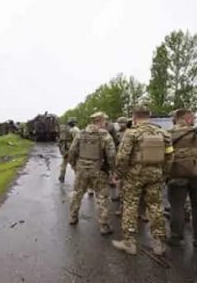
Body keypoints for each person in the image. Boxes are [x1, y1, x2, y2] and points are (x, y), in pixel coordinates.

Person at [112, 105, 174, 256]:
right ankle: (159, 244)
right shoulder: (163, 132)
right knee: (155, 207)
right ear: (150, 115)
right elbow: (170, 156)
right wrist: (163, 173)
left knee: (130, 206)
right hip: (155, 175)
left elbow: (122, 156)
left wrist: (118, 174)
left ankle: (129, 243)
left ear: (134, 116)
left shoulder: (131, 133)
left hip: (134, 175)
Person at [68, 112, 116, 235]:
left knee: (77, 194)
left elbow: (72, 151)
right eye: (104, 120)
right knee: (102, 197)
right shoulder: (105, 135)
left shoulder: (81, 133)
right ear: (100, 120)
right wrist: (112, 170)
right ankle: (104, 225)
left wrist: (74, 166)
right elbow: (111, 155)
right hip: (99, 171)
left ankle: (73, 217)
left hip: (82, 170)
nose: (105, 123)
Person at [167, 109, 197, 248]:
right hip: (195, 174)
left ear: (176, 118)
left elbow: (165, 156)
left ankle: (176, 237)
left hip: (176, 175)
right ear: (188, 118)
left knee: (177, 207)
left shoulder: (169, 134)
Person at [58, 117, 80, 183]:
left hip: (64, 149)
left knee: (64, 163)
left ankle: (61, 176)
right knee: (74, 164)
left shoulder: (63, 128)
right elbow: (78, 140)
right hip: (71, 149)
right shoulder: (75, 130)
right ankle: (78, 178)